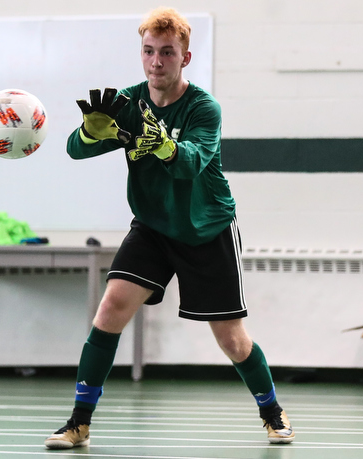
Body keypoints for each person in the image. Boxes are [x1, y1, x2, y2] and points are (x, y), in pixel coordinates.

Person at [44, 7, 294, 449]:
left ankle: (272, 411)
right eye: (148, 51)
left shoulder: (203, 108)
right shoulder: (128, 102)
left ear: (185, 58)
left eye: (167, 52)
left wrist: (162, 144)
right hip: (153, 228)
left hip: (206, 229)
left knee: (232, 340)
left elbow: (191, 163)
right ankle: (78, 422)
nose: (156, 61)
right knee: (109, 310)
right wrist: (89, 133)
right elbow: (73, 151)